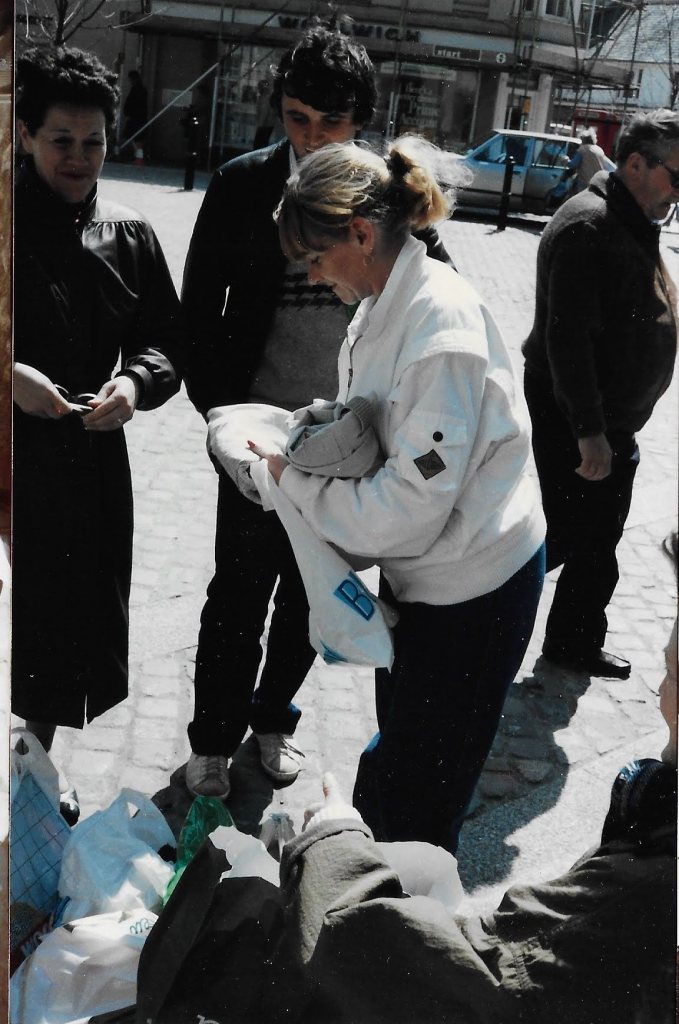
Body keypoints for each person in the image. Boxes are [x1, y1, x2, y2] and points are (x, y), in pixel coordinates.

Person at [181, 21, 453, 801]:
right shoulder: (242, 184)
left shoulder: (387, 193)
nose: (310, 137)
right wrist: (223, 420)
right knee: (237, 593)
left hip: (346, 442)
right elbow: (196, 314)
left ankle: (273, 720)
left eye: (330, 123)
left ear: (359, 121)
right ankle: (211, 739)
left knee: (312, 589)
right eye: (297, 118)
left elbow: (435, 289)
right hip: (255, 437)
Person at [255, 136, 545, 852]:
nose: (312, 276)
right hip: (435, 574)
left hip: (474, 587)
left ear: (361, 233)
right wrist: (315, 435)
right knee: (400, 765)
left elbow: (408, 509)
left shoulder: (438, 328)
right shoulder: (389, 297)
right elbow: (382, 426)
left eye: (315, 257)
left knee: (418, 800)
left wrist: (296, 483)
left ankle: (404, 911)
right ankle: (382, 890)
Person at [12, 46, 184, 818]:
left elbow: (166, 341)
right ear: (24, 134)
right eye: (60, 140)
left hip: (84, 454)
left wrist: (134, 384)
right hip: (7, 453)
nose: (78, 158)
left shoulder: (129, 233)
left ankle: (34, 764)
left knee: (63, 620)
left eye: (93, 142)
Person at [522, 109, 678, 679]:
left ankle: (574, 642)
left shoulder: (629, 216)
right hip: (582, 417)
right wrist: (589, 431)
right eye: (676, 176)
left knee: (597, 539)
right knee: (566, 535)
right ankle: (467, 612)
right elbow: (567, 340)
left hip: (609, 418)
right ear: (635, 164)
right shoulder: (591, 225)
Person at [565, 127, 615, 193]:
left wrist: (566, 160)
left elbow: (572, 164)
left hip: (585, 181)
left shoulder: (582, 150)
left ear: (583, 139)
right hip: (598, 182)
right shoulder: (599, 149)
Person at [121, 68, 147, 159]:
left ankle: (138, 155)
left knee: (134, 136)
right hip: (138, 117)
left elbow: (133, 103)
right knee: (136, 136)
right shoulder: (140, 89)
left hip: (135, 117)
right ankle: (137, 155)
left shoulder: (136, 89)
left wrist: (129, 113)